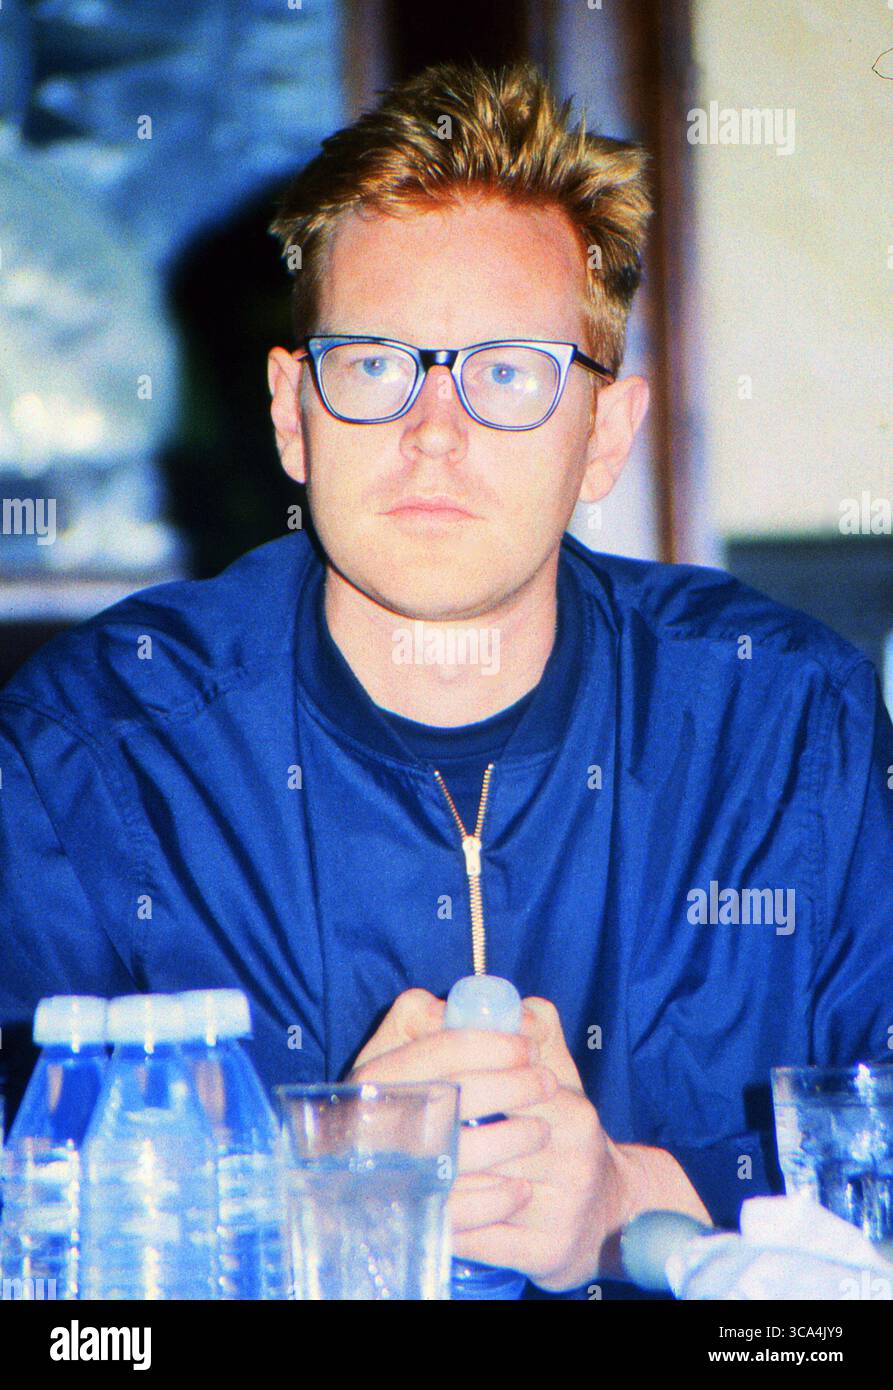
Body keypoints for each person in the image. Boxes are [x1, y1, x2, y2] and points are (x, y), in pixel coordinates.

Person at [1, 60, 891, 1300]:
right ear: (290, 416)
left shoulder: (786, 724)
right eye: (373, 364)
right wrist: (324, 1193)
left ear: (608, 436)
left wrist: (634, 1200)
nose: (434, 431)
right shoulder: (87, 756)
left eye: (509, 371)